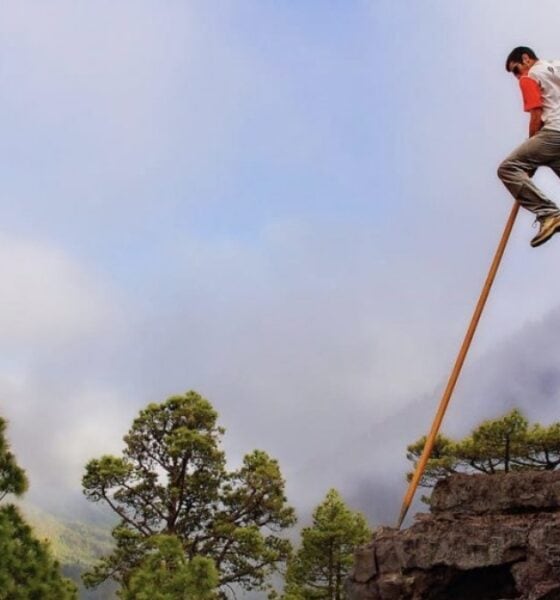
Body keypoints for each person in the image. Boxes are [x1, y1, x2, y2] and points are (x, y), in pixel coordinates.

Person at [498, 46, 560, 247]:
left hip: (554, 132)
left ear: (526, 59)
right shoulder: (556, 66)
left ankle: (549, 213)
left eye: (516, 70)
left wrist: (531, 147)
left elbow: (536, 113)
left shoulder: (529, 76)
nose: (518, 77)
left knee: (508, 169)